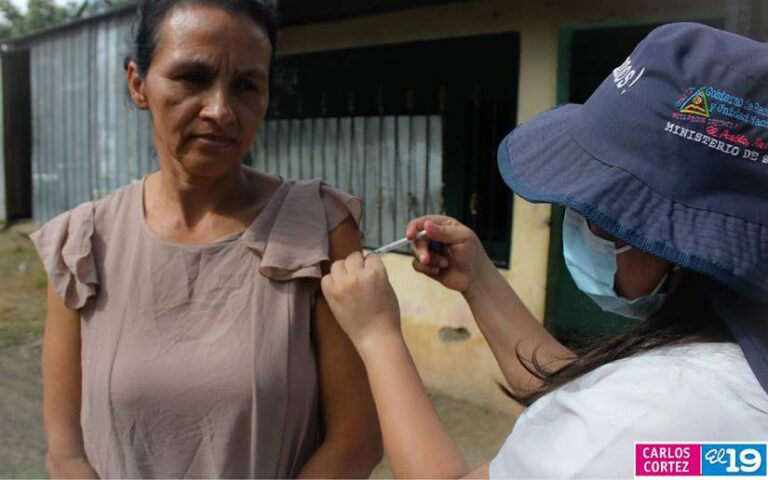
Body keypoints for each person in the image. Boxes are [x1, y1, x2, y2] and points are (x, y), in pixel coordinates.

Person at [321, 22, 768, 478]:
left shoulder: (650, 416)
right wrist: (479, 278)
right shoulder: (721, 379)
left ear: (673, 241)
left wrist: (377, 335)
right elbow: (581, 398)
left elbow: (613, 423)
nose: (574, 225)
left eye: (597, 214)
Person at [31, 1, 382, 478]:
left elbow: (356, 443)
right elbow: (66, 451)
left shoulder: (317, 232)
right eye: (192, 78)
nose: (220, 110)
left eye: (245, 86)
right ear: (137, 84)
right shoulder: (82, 245)